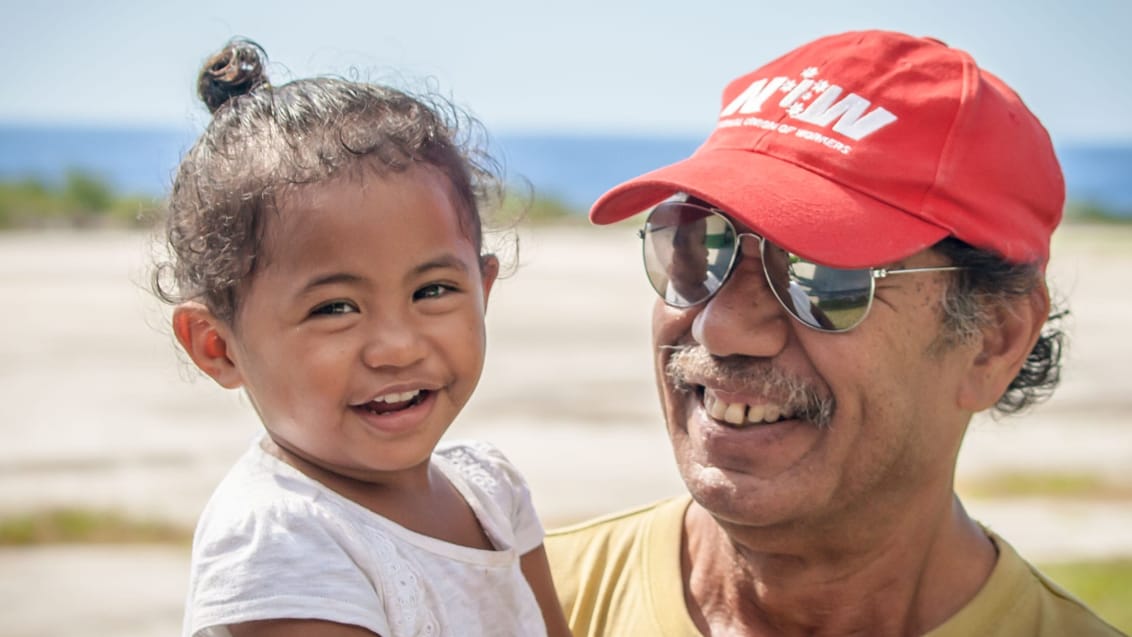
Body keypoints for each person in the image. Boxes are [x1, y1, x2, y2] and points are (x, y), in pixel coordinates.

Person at [544, 30, 1125, 636]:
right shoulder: (512, 606)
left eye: (823, 274)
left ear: (993, 340)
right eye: (697, 247)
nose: (722, 327)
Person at [152, 40, 570, 637]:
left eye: (432, 291)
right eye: (335, 308)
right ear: (216, 345)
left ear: (484, 290)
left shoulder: (490, 492)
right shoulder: (282, 539)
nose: (396, 347)